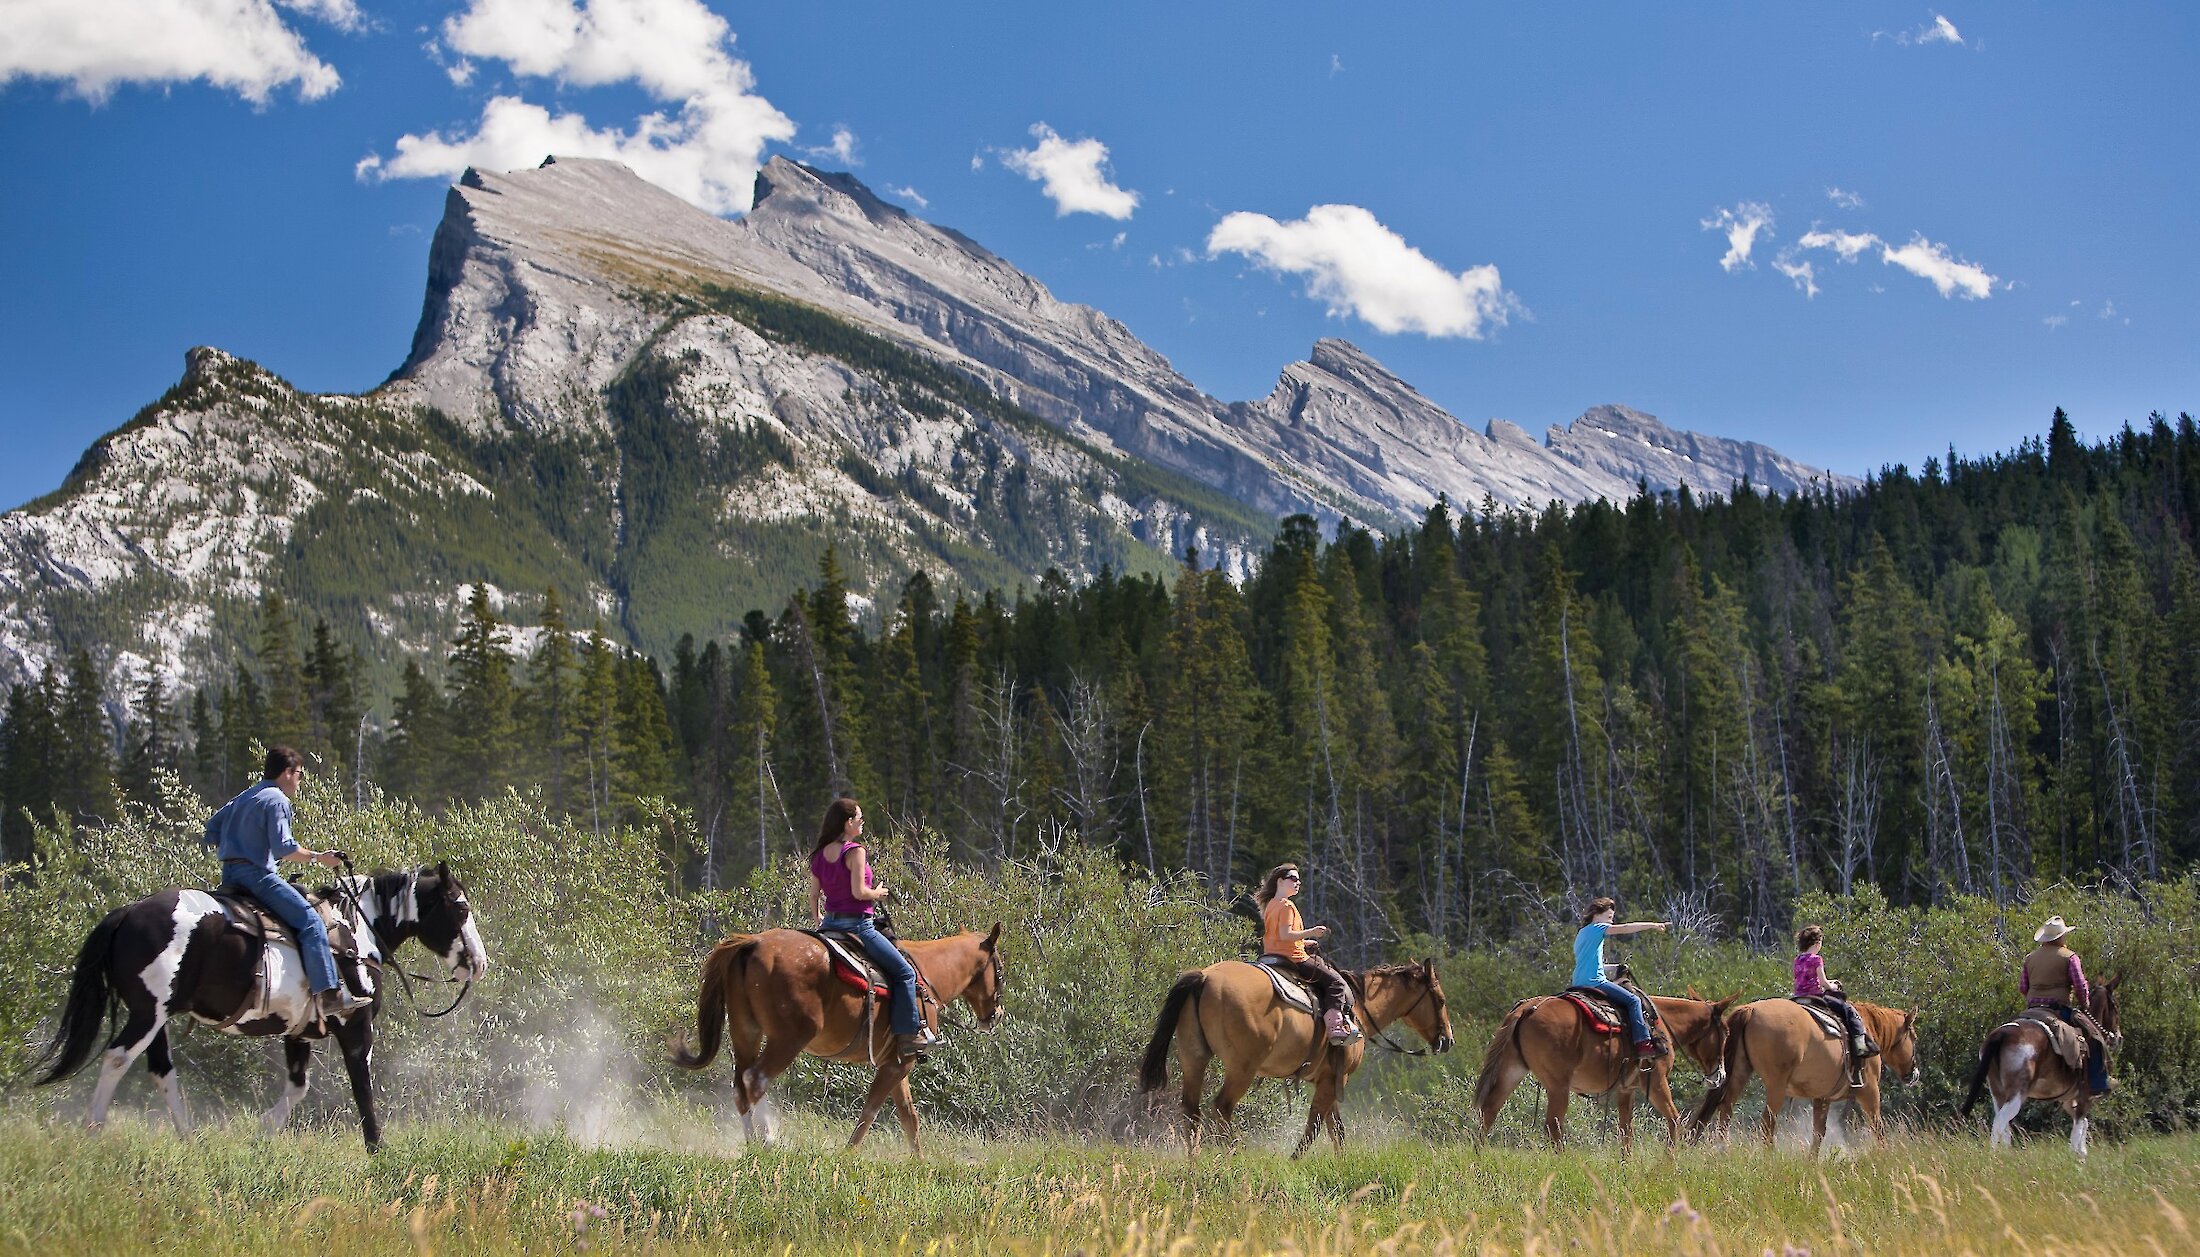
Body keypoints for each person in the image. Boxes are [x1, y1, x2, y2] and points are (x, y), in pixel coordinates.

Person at [204, 745, 372, 1026]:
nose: (299, 781)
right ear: (286, 772)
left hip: (229, 877)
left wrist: (237, 843)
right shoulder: (277, 800)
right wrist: (321, 857)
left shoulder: (245, 796)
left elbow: (211, 829)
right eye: (299, 775)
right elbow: (285, 849)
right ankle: (329, 993)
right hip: (256, 876)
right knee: (310, 922)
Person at [808, 797, 940, 1063]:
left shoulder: (820, 853)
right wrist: (877, 893)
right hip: (858, 925)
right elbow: (859, 892)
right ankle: (907, 1035)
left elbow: (813, 895)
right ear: (848, 823)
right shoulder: (854, 851)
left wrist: (818, 917)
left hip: (830, 925)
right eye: (859, 818)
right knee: (904, 973)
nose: (862, 823)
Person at [1253, 863, 1357, 1044]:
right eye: (1293, 879)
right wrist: (1312, 932)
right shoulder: (1287, 906)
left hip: (1272, 955)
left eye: (1299, 880)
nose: (1298, 883)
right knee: (1336, 983)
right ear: (1280, 881)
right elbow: (1286, 935)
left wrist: (1304, 941)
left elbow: (1278, 935)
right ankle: (1335, 1029)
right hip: (1294, 958)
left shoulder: (1271, 905)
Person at [2021, 914, 2112, 1096]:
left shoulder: (2030, 958)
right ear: (2061, 937)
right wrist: (2085, 1004)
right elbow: (2079, 985)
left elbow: (2023, 987)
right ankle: (2097, 1083)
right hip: (2058, 1009)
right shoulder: (2069, 957)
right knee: (2095, 1038)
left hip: (2031, 1011)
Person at [1572, 897, 1668, 1058]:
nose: (1611, 921)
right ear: (1597, 914)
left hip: (1577, 982)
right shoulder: (1598, 928)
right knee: (1634, 1000)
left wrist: (1616, 967)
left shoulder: (1582, 934)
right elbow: (1625, 928)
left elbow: (1592, 965)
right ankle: (1643, 1042)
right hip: (1595, 982)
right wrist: (1653, 925)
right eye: (1609, 917)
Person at [1792, 924, 1879, 1087]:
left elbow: (1805, 981)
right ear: (1817, 943)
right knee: (1849, 1011)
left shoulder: (1797, 959)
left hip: (1798, 997)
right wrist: (1834, 986)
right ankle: (1860, 1046)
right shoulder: (1816, 959)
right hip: (1815, 996)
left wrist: (1827, 983)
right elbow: (1823, 982)